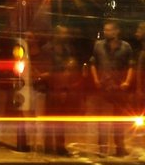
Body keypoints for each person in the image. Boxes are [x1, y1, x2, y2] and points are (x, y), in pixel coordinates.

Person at [89, 20, 134, 157]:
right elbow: (93, 63)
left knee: (119, 120)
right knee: (102, 120)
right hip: (103, 86)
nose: (106, 32)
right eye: (105, 30)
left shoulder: (126, 47)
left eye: (109, 30)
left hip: (119, 87)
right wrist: (96, 79)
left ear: (116, 31)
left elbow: (130, 66)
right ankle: (102, 148)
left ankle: (119, 147)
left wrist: (127, 81)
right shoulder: (98, 46)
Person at [36, 24, 81, 156]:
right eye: (62, 33)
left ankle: (60, 146)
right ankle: (49, 146)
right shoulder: (47, 49)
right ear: (56, 34)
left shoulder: (68, 49)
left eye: (66, 33)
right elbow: (44, 69)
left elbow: (72, 67)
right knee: (50, 119)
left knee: (60, 119)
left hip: (63, 87)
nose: (65, 36)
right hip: (51, 88)